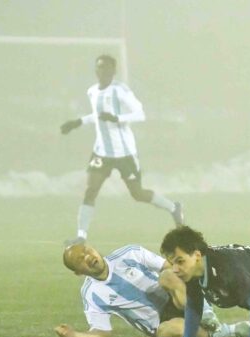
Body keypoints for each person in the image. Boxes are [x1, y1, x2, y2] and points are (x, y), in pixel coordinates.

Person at [59, 55, 183, 245]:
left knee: (137, 193)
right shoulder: (92, 91)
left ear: (113, 71)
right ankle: (81, 236)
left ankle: (173, 207)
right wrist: (77, 122)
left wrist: (117, 118)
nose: (102, 71)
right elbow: (97, 115)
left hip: (124, 152)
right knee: (90, 190)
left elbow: (140, 114)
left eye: (106, 67)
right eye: (99, 67)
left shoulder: (120, 90)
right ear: (95, 70)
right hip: (102, 152)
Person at [57, 242, 249, 337]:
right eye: (80, 260)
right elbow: (102, 332)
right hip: (160, 323)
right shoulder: (91, 294)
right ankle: (228, 331)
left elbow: (172, 267)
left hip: (177, 297)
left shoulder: (129, 253)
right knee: (169, 332)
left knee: (168, 274)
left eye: (87, 251)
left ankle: (206, 313)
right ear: (78, 272)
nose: (88, 257)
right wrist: (77, 336)